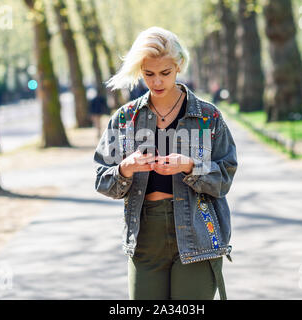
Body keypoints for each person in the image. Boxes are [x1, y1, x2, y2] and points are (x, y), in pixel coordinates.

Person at [93, 26, 238, 300]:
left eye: (165, 73)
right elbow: (102, 179)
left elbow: (226, 177)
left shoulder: (208, 117)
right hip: (145, 236)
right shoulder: (125, 120)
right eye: (148, 74)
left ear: (179, 66)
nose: (157, 82)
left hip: (197, 232)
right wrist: (126, 168)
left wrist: (190, 167)